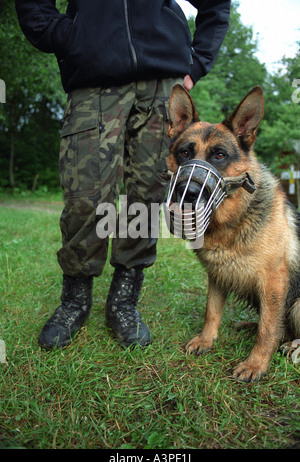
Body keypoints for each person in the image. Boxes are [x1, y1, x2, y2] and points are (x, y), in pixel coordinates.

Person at [15, 0, 231, 350]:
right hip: (93, 82)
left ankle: (124, 300)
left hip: (162, 84)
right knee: (86, 195)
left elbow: (216, 5)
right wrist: (72, 35)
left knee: (146, 195)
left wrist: (198, 59)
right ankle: (75, 299)